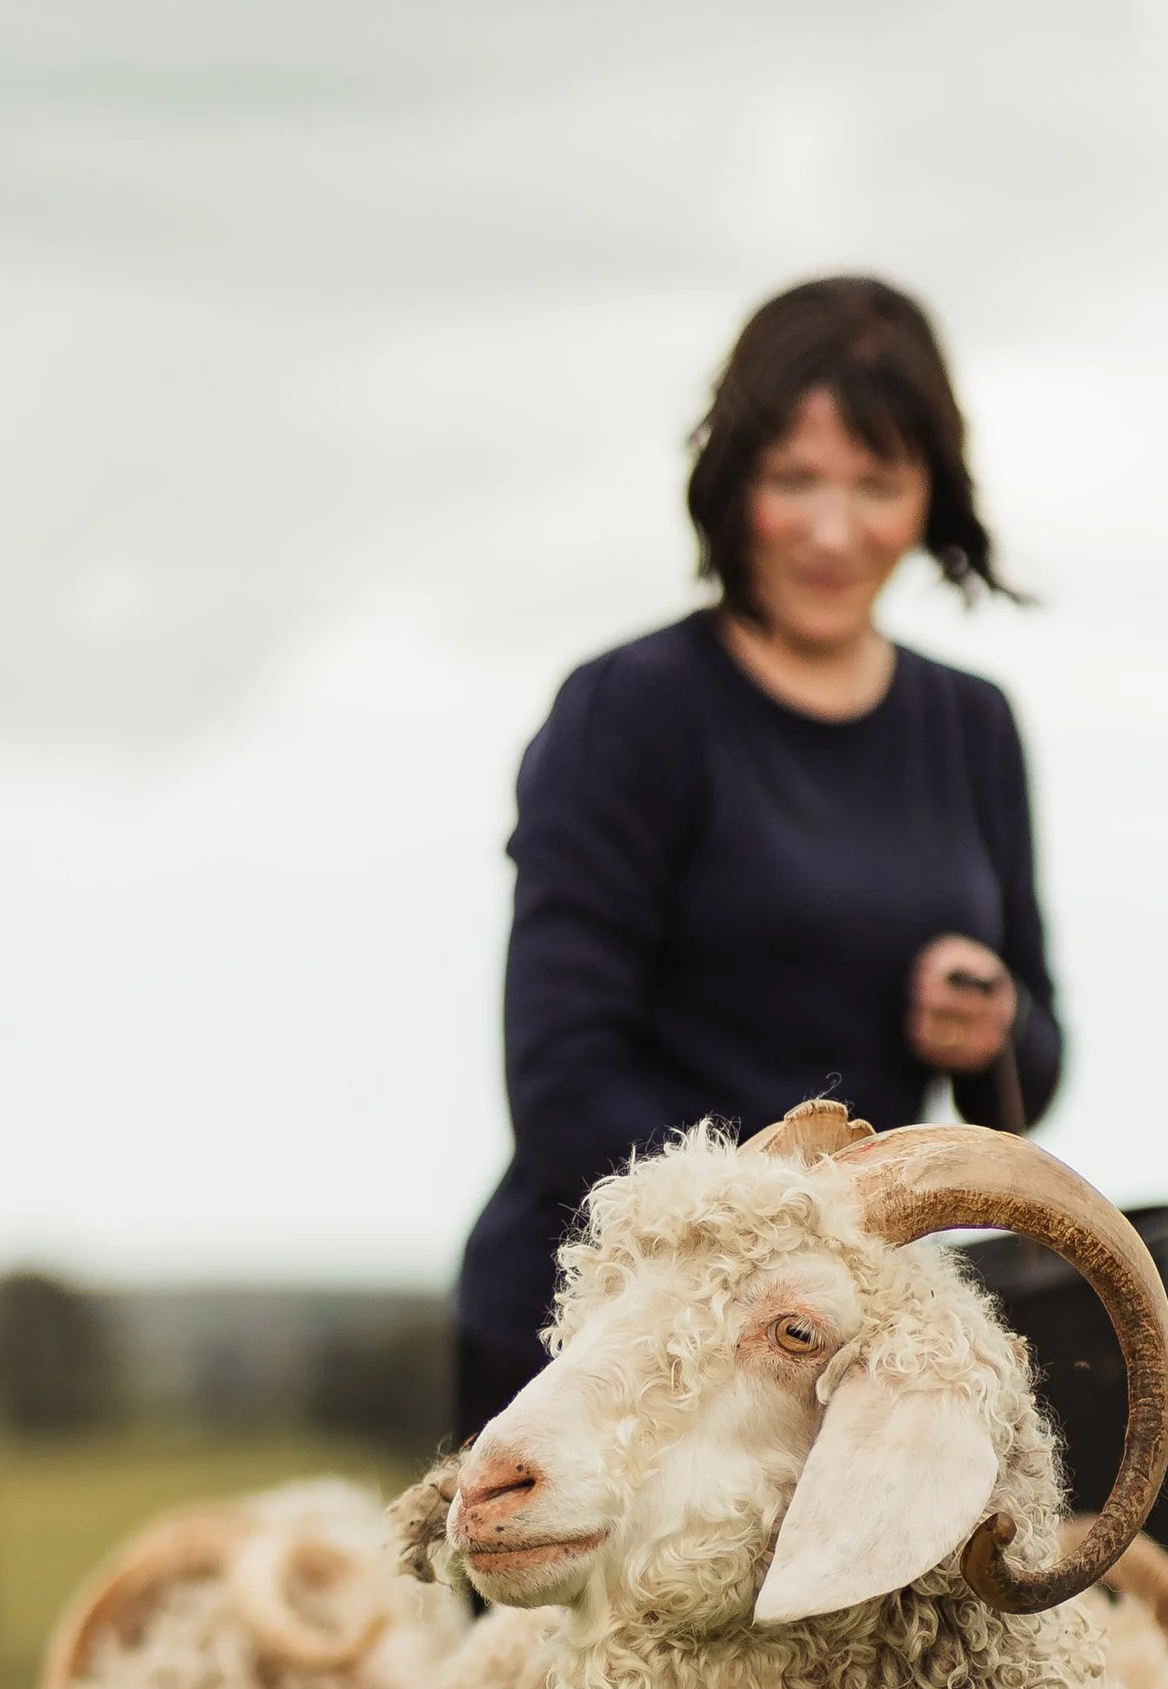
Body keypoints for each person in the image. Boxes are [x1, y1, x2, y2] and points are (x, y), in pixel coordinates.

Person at [453, 274, 1065, 1441]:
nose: (833, 532)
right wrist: (779, 1244)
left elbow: (1035, 1055)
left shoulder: (970, 724)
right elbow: (561, 1082)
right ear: (733, 480)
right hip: (592, 1353)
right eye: (795, 480)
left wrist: (991, 1032)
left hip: (819, 1365)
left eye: (877, 484)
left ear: (929, 494)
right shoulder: (626, 713)